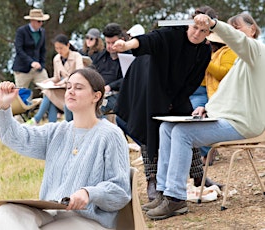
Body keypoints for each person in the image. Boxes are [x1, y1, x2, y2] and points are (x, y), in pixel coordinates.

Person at [142, 12, 264, 220]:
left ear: (252, 30)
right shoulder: (240, 60)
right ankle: (163, 192)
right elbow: (226, 94)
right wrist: (206, 109)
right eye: (231, 28)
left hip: (244, 124)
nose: (234, 33)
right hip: (228, 119)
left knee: (181, 133)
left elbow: (237, 40)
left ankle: (176, 198)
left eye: (238, 28)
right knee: (166, 128)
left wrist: (214, 24)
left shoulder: (258, 51)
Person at [0, 68, 131, 229]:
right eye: (68, 87)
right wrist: (4, 106)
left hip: (88, 221)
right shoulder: (57, 131)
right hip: (51, 213)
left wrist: (89, 193)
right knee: (6, 212)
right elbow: (14, 137)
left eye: (78, 88)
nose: (71, 91)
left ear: (96, 96)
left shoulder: (110, 134)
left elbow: (120, 191)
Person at [113, 6, 222, 201]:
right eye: (194, 27)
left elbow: (193, 81)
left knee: (186, 122)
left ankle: (198, 175)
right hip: (148, 81)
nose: (197, 33)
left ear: (210, 33)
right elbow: (150, 39)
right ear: (189, 23)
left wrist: (174, 101)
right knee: (149, 128)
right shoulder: (172, 33)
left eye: (203, 31)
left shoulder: (204, 51)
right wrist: (127, 46)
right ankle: (152, 179)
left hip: (176, 90)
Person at [190, 31, 238, 165]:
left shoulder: (228, 52)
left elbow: (224, 73)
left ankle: (207, 151)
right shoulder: (209, 52)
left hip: (209, 92)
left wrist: (205, 61)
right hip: (194, 90)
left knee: (194, 115)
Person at [27, 34, 84, 125]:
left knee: (48, 94)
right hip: (60, 89)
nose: (59, 51)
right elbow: (56, 77)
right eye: (57, 48)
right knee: (48, 93)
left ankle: (38, 120)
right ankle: (50, 124)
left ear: (68, 45)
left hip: (72, 90)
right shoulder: (56, 58)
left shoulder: (76, 56)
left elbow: (79, 73)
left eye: (61, 48)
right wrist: (48, 81)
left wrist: (64, 81)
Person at [92, 23, 128, 115]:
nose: (110, 46)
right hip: (99, 92)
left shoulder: (128, 56)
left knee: (97, 110)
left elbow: (129, 78)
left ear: (122, 40)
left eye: (113, 43)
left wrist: (110, 86)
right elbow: (92, 69)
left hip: (119, 94)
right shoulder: (101, 56)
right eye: (108, 43)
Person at [12, 8, 50, 89]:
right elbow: (19, 49)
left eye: (42, 21)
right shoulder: (21, 31)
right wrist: (31, 62)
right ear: (32, 21)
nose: (41, 23)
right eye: (39, 21)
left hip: (38, 69)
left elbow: (42, 50)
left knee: (48, 90)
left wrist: (42, 64)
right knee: (23, 95)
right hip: (23, 69)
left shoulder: (42, 32)